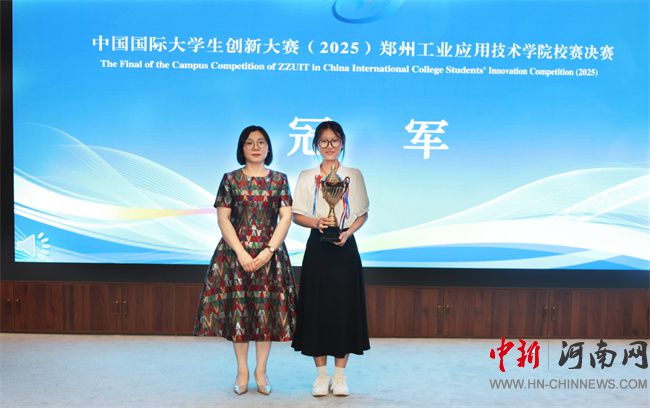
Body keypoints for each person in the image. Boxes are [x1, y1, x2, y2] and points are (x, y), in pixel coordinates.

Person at [194, 125, 296, 396]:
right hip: (235, 255)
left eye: (261, 142)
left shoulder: (280, 179)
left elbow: (286, 218)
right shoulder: (230, 179)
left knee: (265, 315)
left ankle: (261, 371)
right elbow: (223, 219)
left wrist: (268, 251)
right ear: (242, 148)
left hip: (269, 256)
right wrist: (241, 252)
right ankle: (242, 371)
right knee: (239, 313)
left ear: (268, 148)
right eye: (249, 143)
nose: (255, 147)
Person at [291, 120, 370, 397]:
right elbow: (296, 214)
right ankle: (321, 376)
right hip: (318, 246)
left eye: (334, 140)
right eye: (323, 141)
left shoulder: (353, 175)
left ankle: (340, 376)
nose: (329, 146)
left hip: (345, 247)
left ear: (342, 143)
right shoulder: (306, 176)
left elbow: (363, 213)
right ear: (316, 145)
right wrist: (316, 222)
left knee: (343, 308)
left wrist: (348, 232)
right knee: (317, 308)